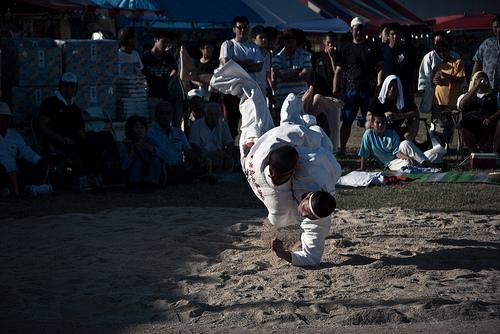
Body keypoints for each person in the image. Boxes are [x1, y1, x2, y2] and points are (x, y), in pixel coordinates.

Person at [211, 60, 341, 267]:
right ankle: (213, 77)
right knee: (255, 93)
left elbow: (311, 258)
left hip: (268, 153)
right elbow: (291, 122)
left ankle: (312, 108)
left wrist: (284, 254)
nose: (302, 213)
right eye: (305, 210)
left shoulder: (317, 216)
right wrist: (297, 103)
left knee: (307, 130)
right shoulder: (303, 159)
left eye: (306, 215)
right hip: (263, 147)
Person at [38, 72, 115, 190]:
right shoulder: (50, 103)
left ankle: (107, 171)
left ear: (76, 88)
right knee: (78, 146)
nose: (69, 89)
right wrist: (61, 138)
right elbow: (42, 125)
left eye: (72, 86)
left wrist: (82, 132)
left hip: (75, 138)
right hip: (56, 141)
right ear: (60, 86)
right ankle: (82, 176)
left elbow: (81, 127)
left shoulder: (75, 107)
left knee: (105, 137)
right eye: (66, 85)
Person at [333, 17, 383, 156]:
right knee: (347, 121)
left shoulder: (373, 47)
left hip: (368, 90)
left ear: (364, 30)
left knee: (370, 120)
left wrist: (379, 84)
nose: (359, 32)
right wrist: (336, 90)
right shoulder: (345, 48)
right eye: (356, 29)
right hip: (350, 90)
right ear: (351, 30)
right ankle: (342, 149)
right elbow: (338, 71)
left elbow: (380, 68)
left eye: (361, 29)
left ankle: (372, 150)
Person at [219, 16, 263, 138]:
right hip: (231, 91)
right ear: (234, 29)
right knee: (231, 123)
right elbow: (226, 64)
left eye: (246, 27)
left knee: (250, 122)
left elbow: (258, 67)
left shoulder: (254, 47)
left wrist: (236, 63)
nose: (243, 30)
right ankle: (230, 147)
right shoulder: (227, 45)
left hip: (249, 91)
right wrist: (247, 63)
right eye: (240, 27)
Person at [359, 113, 445, 171]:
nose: (381, 125)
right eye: (378, 122)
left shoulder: (392, 133)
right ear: (372, 124)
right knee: (408, 164)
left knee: (405, 143)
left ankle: (429, 165)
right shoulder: (368, 134)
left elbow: (396, 151)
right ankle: (427, 165)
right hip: (390, 163)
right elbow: (364, 152)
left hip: (400, 156)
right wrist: (362, 168)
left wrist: (405, 156)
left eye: (383, 122)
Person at [147, 101, 205, 184]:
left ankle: (187, 177)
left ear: (172, 115)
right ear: (156, 116)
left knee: (199, 166)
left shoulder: (178, 132)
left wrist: (200, 160)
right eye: (162, 113)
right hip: (163, 168)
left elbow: (188, 151)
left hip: (179, 166)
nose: (165, 116)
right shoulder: (150, 133)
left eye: (168, 113)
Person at [0, 102, 45, 197]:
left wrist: (39, 160)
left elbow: (25, 151)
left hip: (15, 172)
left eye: (6, 118)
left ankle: (13, 190)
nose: (4, 121)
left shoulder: (15, 135)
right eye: (1, 118)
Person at [312, 31, 342, 152]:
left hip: (332, 96)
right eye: (328, 42)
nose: (331, 45)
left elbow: (337, 72)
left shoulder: (338, 57)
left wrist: (332, 57)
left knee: (334, 125)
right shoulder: (316, 56)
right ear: (324, 42)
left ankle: (334, 149)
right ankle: (320, 148)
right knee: (318, 124)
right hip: (318, 95)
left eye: (333, 42)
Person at [431, 40, 466, 146]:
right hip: (438, 101)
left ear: (448, 50)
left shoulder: (458, 62)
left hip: (452, 102)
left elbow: (460, 80)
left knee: (450, 126)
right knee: (439, 125)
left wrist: (446, 75)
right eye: (439, 52)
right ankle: (441, 148)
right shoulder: (437, 66)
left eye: (443, 50)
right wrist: (435, 81)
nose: (442, 53)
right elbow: (433, 81)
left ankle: (446, 145)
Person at [418, 31, 460, 115]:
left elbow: (460, 77)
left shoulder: (455, 57)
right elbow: (424, 80)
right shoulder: (429, 58)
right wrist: (432, 83)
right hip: (436, 99)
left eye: (442, 43)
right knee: (439, 125)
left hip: (452, 96)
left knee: (451, 125)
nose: (440, 46)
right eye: (436, 43)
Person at [365, 75, 419, 141]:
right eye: (389, 86)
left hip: (400, 125)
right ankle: (376, 146)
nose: (392, 89)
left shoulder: (404, 98)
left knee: (414, 121)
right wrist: (383, 117)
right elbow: (368, 115)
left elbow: (416, 112)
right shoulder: (378, 98)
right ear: (385, 87)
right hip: (382, 125)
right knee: (368, 124)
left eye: (395, 87)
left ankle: (406, 145)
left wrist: (399, 116)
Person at [457, 71, 500, 154]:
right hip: (471, 125)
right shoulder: (465, 96)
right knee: (462, 126)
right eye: (478, 78)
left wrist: (491, 118)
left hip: (489, 125)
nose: (481, 81)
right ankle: (475, 154)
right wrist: (476, 87)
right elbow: (462, 106)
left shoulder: (495, 95)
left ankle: (496, 154)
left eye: (484, 78)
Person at [271, 28, 313, 110]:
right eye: (287, 41)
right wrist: (297, 73)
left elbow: (307, 73)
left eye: (292, 41)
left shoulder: (305, 55)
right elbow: (278, 74)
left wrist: (286, 75)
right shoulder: (276, 57)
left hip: (301, 98)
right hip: (281, 100)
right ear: (284, 42)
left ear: (296, 42)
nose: (290, 44)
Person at [120, 115, 163, 193]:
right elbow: (124, 166)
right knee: (137, 162)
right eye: (136, 127)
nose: (140, 130)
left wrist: (150, 149)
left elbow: (162, 156)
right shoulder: (125, 145)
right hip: (134, 177)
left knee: (155, 160)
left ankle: (150, 183)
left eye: (142, 127)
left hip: (150, 173)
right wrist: (132, 150)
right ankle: (135, 184)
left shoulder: (151, 141)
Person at [189, 103, 234, 172]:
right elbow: (194, 145)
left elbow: (229, 142)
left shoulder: (223, 124)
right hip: (203, 156)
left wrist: (227, 155)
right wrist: (205, 156)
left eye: (216, 115)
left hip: (219, 155)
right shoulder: (197, 124)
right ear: (205, 114)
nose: (213, 117)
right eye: (210, 114)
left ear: (219, 115)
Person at [141, 30, 178, 114]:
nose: (165, 45)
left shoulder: (168, 56)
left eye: (167, 42)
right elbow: (140, 74)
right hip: (150, 95)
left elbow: (175, 70)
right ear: (156, 40)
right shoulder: (145, 57)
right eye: (163, 41)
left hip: (165, 95)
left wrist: (169, 81)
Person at [381, 22, 418, 99]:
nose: (395, 36)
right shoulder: (382, 50)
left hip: (404, 88)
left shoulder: (408, 51)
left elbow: (414, 70)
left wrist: (413, 87)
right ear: (388, 36)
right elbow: (379, 69)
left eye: (397, 34)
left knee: (408, 111)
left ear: (401, 35)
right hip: (388, 89)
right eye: (392, 34)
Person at [472, 15, 500, 89]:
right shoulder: (486, 43)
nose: (498, 29)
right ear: (492, 28)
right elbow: (477, 62)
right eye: (496, 27)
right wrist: (473, 82)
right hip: (487, 88)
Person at [251, 25, 272, 99]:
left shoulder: (267, 54)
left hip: (263, 89)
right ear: (254, 40)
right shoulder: (250, 53)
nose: (264, 40)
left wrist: (269, 89)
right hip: (251, 89)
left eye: (265, 37)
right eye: (261, 37)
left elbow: (267, 75)